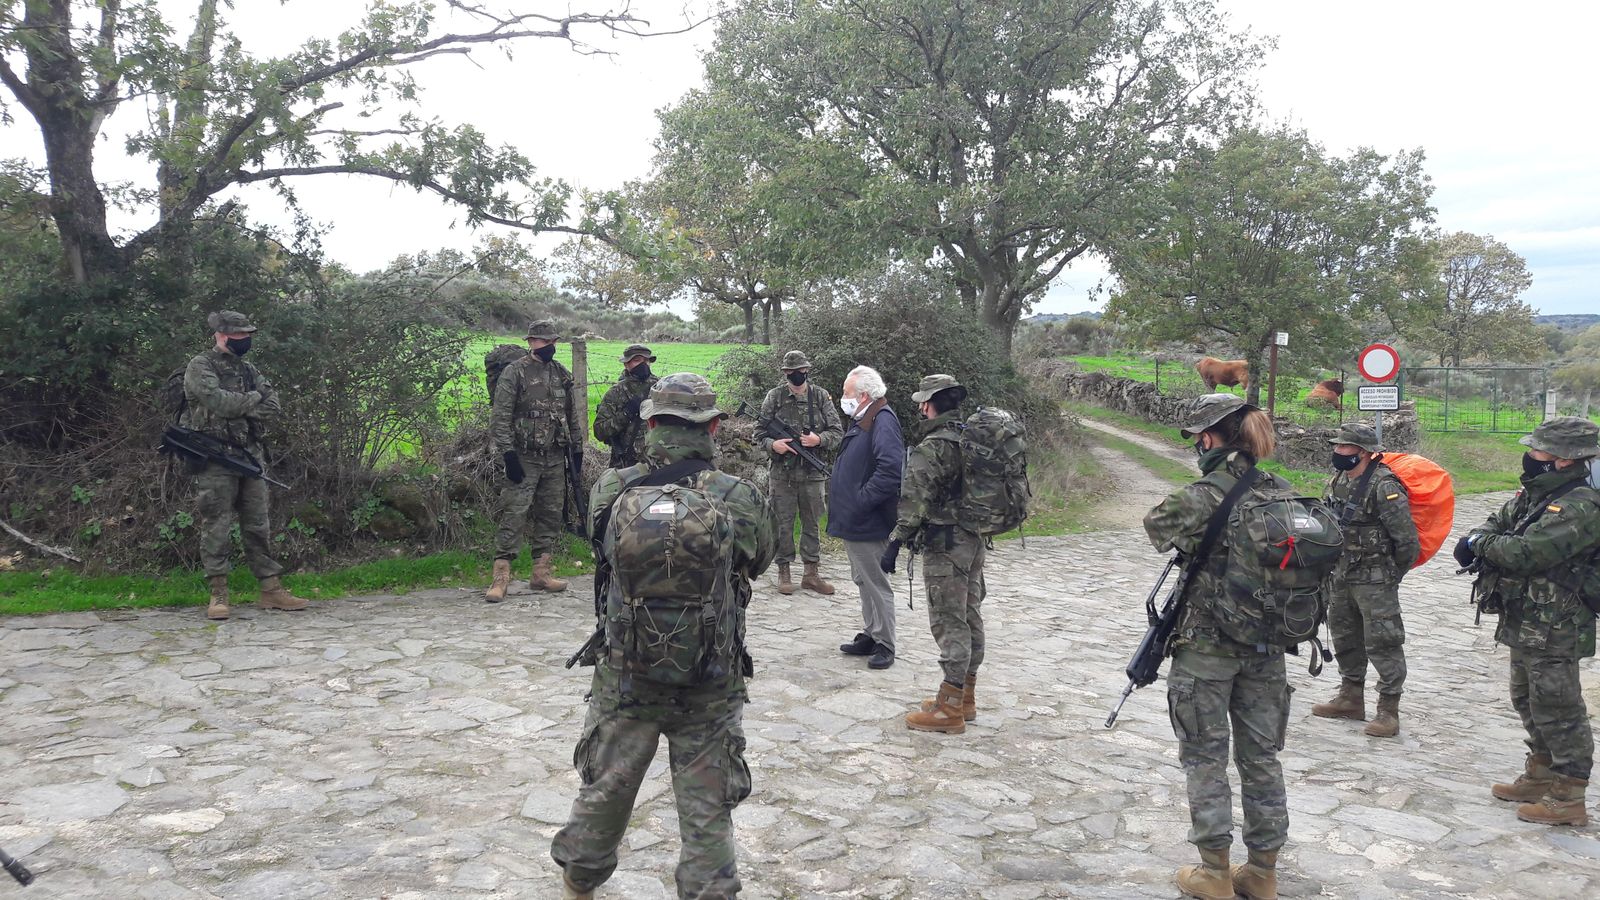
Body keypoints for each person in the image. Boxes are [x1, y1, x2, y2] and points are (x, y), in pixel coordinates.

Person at [551, 373, 775, 900]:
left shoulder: (613, 488)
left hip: (626, 673)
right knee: (708, 804)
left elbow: (601, 551)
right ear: (712, 427)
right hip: (711, 677)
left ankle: (579, 881)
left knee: (607, 786)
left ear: (650, 424)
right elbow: (759, 561)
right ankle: (708, 890)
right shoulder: (740, 496)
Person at [1142, 394, 1291, 900]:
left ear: (1209, 438)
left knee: (1205, 757)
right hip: (1267, 648)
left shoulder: (1204, 494)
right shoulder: (1281, 491)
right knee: (1261, 758)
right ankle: (1263, 873)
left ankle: (1215, 873)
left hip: (1207, 648)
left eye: (1197, 439)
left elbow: (1156, 525)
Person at [1457, 416, 1600, 827]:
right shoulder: (1537, 492)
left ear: (1563, 459)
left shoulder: (1580, 506)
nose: (1530, 455)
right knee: (1526, 698)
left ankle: (1568, 796)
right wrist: (1481, 537)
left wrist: (1478, 544)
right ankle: (1540, 775)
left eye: (1537, 450)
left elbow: (1525, 553)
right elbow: (1496, 521)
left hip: (1558, 622)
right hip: (1526, 617)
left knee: (1558, 705)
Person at [182, 311, 308, 620]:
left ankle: (271, 589)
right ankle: (218, 593)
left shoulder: (249, 369)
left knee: (258, 525)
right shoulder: (200, 366)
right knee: (217, 525)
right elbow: (219, 403)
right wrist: (253, 398)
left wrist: (241, 404)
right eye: (239, 336)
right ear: (221, 335)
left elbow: (273, 405)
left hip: (250, 455)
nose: (244, 340)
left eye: (247, 335)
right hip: (214, 456)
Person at [883, 374, 984, 734]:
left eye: (921, 403)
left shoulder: (934, 446)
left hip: (945, 544)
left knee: (948, 619)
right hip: (973, 539)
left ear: (928, 405)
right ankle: (965, 696)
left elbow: (915, 502)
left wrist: (895, 542)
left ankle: (949, 710)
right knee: (969, 613)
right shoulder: (971, 439)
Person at [1311, 423, 1420, 738]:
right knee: (1344, 636)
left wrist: (1389, 576)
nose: (1337, 451)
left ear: (1363, 452)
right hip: (1342, 575)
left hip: (1375, 580)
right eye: (1337, 446)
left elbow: (1407, 542)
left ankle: (1388, 710)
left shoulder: (1384, 486)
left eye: (1344, 447)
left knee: (1384, 642)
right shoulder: (1339, 479)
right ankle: (1350, 697)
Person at [485, 320, 582, 602]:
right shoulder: (514, 372)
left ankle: (541, 573)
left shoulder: (560, 373)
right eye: (543, 341)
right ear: (531, 342)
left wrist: (577, 449)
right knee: (514, 514)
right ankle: (501, 577)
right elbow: (500, 417)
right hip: (524, 457)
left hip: (555, 456)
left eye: (552, 341)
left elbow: (572, 415)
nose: (549, 346)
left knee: (550, 514)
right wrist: (508, 454)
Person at [827, 365, 904, 670]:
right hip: (854, 520)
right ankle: (872, 633)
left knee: (875, 582)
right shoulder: (865, 418)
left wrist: (861, 501)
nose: (842, 398)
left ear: (862, 395)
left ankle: (885, 643)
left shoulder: (882, 420)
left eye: (846, 392)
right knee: (862, 579)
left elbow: (890, 470)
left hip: (868, 520)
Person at [760, 349, 843, 595]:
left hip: (812, 473)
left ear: (807, 370)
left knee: (812, 522)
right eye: (791, 371)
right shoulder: (774, 397)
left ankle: (811, 573)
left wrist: (818, 440)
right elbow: (759, 432)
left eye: (800, 370)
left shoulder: (820, 396)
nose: (796, 375)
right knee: (782, 523)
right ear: (785, 373)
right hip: (782, 474)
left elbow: (837, 432)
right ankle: (783, 571)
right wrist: (773, 445)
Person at [592, 343, 658, 468]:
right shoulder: (616, 392)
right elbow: (599, 431)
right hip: (625, 465)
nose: (643, 364)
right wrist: (626, 413)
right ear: (626, 364)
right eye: (637, 360)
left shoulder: (660, 388)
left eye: (646, 360)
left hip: (656, 462)